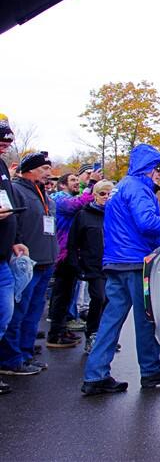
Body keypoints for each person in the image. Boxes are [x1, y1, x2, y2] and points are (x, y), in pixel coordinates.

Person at [81, 144, 160, 395]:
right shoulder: (138, 188)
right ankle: (151, 370)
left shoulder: (121, 186)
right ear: (148, 168)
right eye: (158, 169)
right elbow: (146, 223)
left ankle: (95, 374)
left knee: (111, 320)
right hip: (137, 263)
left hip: (116, 262)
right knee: (147, 319)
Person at [0, 151, 59, 376]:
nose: (48, 174)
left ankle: (24, 354)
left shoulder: (43, 194)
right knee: (16, 313)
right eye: (44, 169)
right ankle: (10, 359)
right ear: (30, 170)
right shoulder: (16, 190)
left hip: (46, 261)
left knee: (33, 314)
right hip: (27, 263)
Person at [47, 171, 101, 346]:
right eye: (72, 180)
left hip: (74, 251)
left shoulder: (68, 197)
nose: (76, 183)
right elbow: (75, 205)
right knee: (61, 294)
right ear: (62, 184)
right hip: (63, 252)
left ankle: (63, 328)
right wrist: (92, 183)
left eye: (78, 180)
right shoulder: (59, 198)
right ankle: (55, 333)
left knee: (69, 294)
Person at [0, 115, 30, 394]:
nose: (5, 143)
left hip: (3, 256)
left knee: (6, 312)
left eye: (8, 138)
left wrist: (15, 241)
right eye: (1, 137)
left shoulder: (1, 168)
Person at [68, 180, 113, 354]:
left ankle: (104, 337)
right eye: (102, 194)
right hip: (93, 265)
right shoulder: (83, 215)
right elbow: (73, 242)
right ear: (95, 195)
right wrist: (76, 264)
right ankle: (92, 334)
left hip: (112, 264)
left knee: (110, 302)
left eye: (110, 194)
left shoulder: (115, 215)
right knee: (99, 298)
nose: (106, 197)